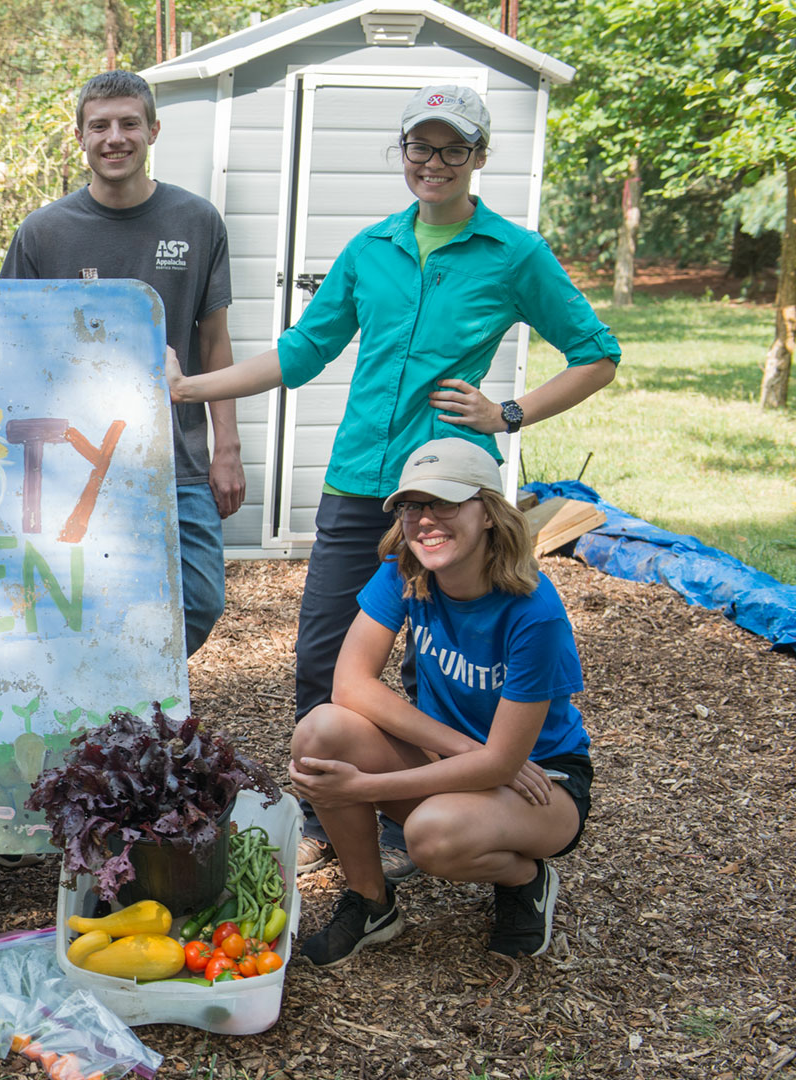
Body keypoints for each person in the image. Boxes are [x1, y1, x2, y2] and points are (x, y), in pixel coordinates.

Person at [165, 84, 618, 877]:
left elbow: (596, 352)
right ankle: (330, 812)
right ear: (403, 153)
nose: (434, 164)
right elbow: (302, 353)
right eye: (421, 147)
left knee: (431, 664)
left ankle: (432, 812)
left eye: (453, 149)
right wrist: (191, 390)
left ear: (478, 158)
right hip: (356, 483)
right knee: (324, 655)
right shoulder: (371, 249)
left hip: (448, 491)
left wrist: (508, 413)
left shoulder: (514, 255)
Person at [288, 439, 593, 963]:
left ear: (490, 513)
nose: (425, 521)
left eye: (445, 503)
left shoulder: (533, 611)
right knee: (319, 732)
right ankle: (371, 902)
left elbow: (502, 761)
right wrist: (461, 750)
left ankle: (527, 878)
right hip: (456, 756)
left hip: (542, 781)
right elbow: (350, 685)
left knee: (432, 840)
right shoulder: (406, 570)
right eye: (412, 507)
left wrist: (365, 788)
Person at [2, 70, 243, 657]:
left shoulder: (197, 220)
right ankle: (112, 716)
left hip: (175, 454)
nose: (115, 137)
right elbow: (12, 344)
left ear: (153, 130)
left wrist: (227, 447)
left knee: (202, 596)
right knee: (82, 593)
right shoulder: (44, 232)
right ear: (79, 137)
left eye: (129, 123)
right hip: (71, 456)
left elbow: (213, 340)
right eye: (100, 125)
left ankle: (134, 686)